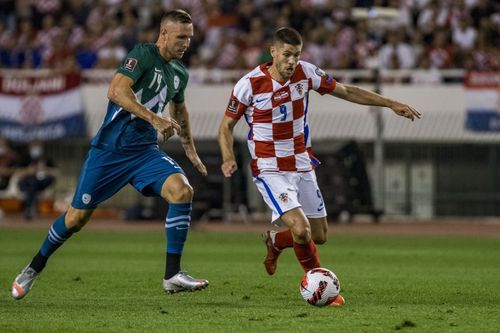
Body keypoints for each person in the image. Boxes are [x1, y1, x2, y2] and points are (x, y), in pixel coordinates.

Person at [12, 9, 209, 300]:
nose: (186, 43)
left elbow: (179, 110)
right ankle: (34, 267)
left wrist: (190, 150)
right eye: (181, 37)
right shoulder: (142, 54)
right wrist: (154, 119)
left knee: (182, 191)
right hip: (109, 152)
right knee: (76, 219)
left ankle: (172, 275)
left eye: (190, 38)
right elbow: (116, 92)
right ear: (163, 34)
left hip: (144, 153)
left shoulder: (179, 72)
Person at [218, 27, 421, 307]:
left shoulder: (307, 73)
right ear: (273, 51)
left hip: (302, 164)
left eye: (297, 55)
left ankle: (276, 242)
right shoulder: (249, 84)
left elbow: (347, 91)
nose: (292, 61)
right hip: (270, 168)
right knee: (301, 230)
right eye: (287, 54)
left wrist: (390, 103)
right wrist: (228, 157)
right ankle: (321, 289)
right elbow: (226, 127)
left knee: (319, 235)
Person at [17, 140, 58, 220]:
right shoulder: (25, 158)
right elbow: (18, 172)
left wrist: (45, 169)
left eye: (37, 146)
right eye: (34, 146)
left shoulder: (46, 158)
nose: (36, 148)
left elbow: (56, 172)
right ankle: (31, 208)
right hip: (28, 182)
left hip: (42, 183)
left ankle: (28, 208)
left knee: (34, 185)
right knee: (32, 184)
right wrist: (29, 171)